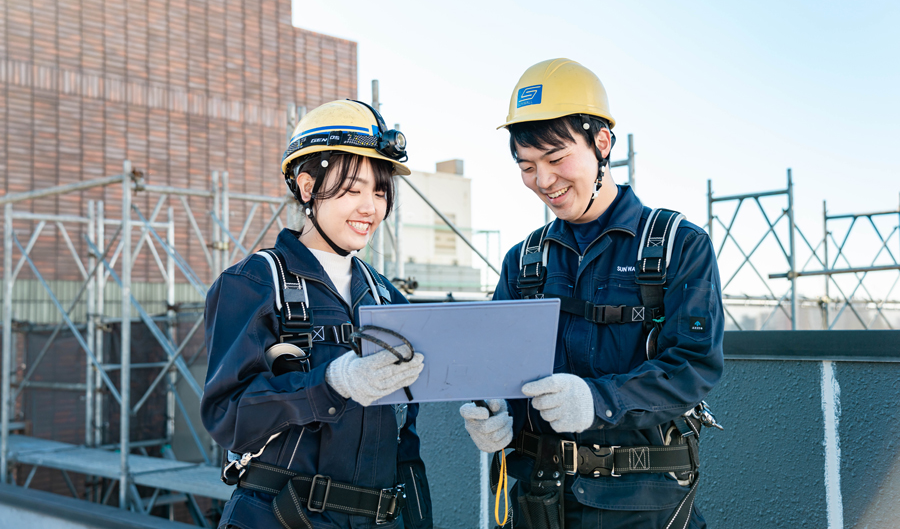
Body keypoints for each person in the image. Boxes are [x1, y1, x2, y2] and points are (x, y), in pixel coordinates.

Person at [460, 59, 724, 529]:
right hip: (538, 499)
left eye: (557, 159)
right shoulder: (524, 261)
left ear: (602, 142)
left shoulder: (678, 245)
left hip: (641, 505)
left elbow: (693, 365)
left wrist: (599, 400)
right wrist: (494, 410)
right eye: (527, 166)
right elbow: (498, 365)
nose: (543, 182)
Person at [202, 100, 433, 529]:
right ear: (307, 187)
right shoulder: (254, 283)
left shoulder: (387, 299)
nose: (370, 208)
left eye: (380, 192)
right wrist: (330, 384)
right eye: (353, 190)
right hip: (282, 516)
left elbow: (406, 441)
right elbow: (227, 416)